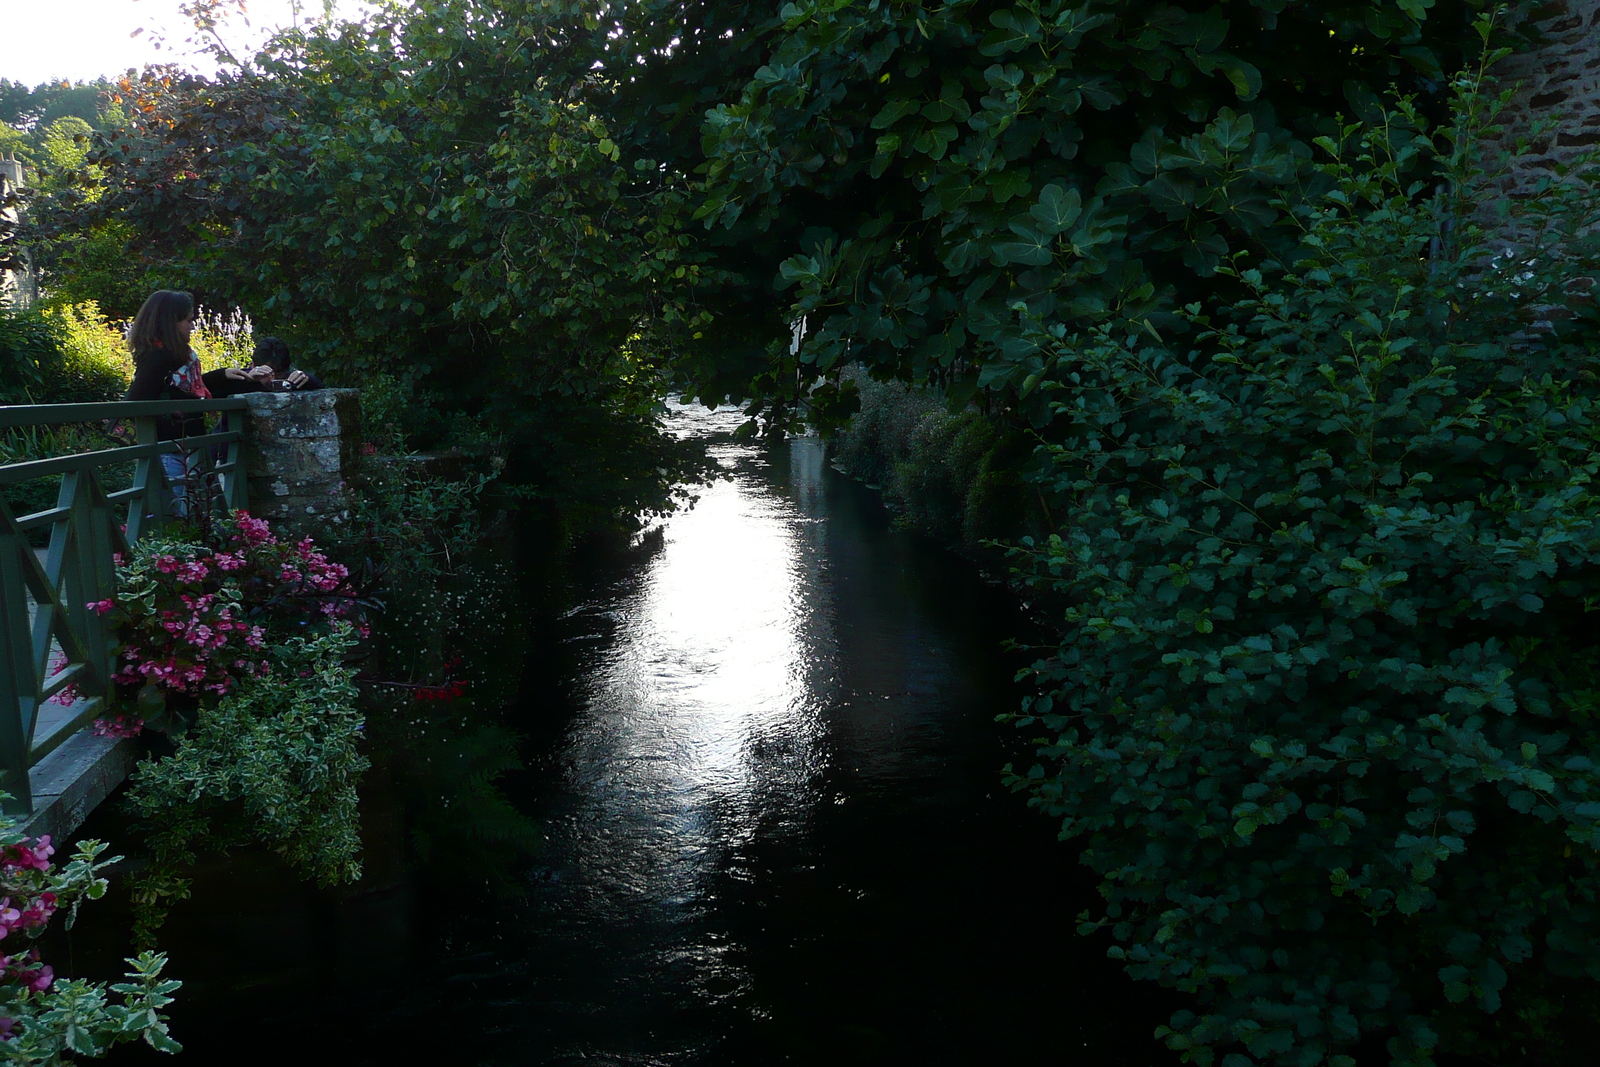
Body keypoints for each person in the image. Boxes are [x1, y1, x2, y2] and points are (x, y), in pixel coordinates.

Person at [125, 290, 255, 515]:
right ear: (170, 323)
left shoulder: (176, 358)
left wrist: (222, 376)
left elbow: (181, 391)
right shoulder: (159, 357)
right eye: (188, 320)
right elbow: (136, 402)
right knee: (186, 516)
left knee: (196, 516)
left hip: (186, 448)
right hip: (171, 450)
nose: (192, 326)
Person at [201, 336, 322, 397]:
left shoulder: (291, 381)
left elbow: (320, 388)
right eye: (265, 372)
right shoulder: (241, 380)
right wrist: (224, 374)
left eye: (278, 372)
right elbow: (198, 388)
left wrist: (306, 379)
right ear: (252, 366)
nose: (272, 379)